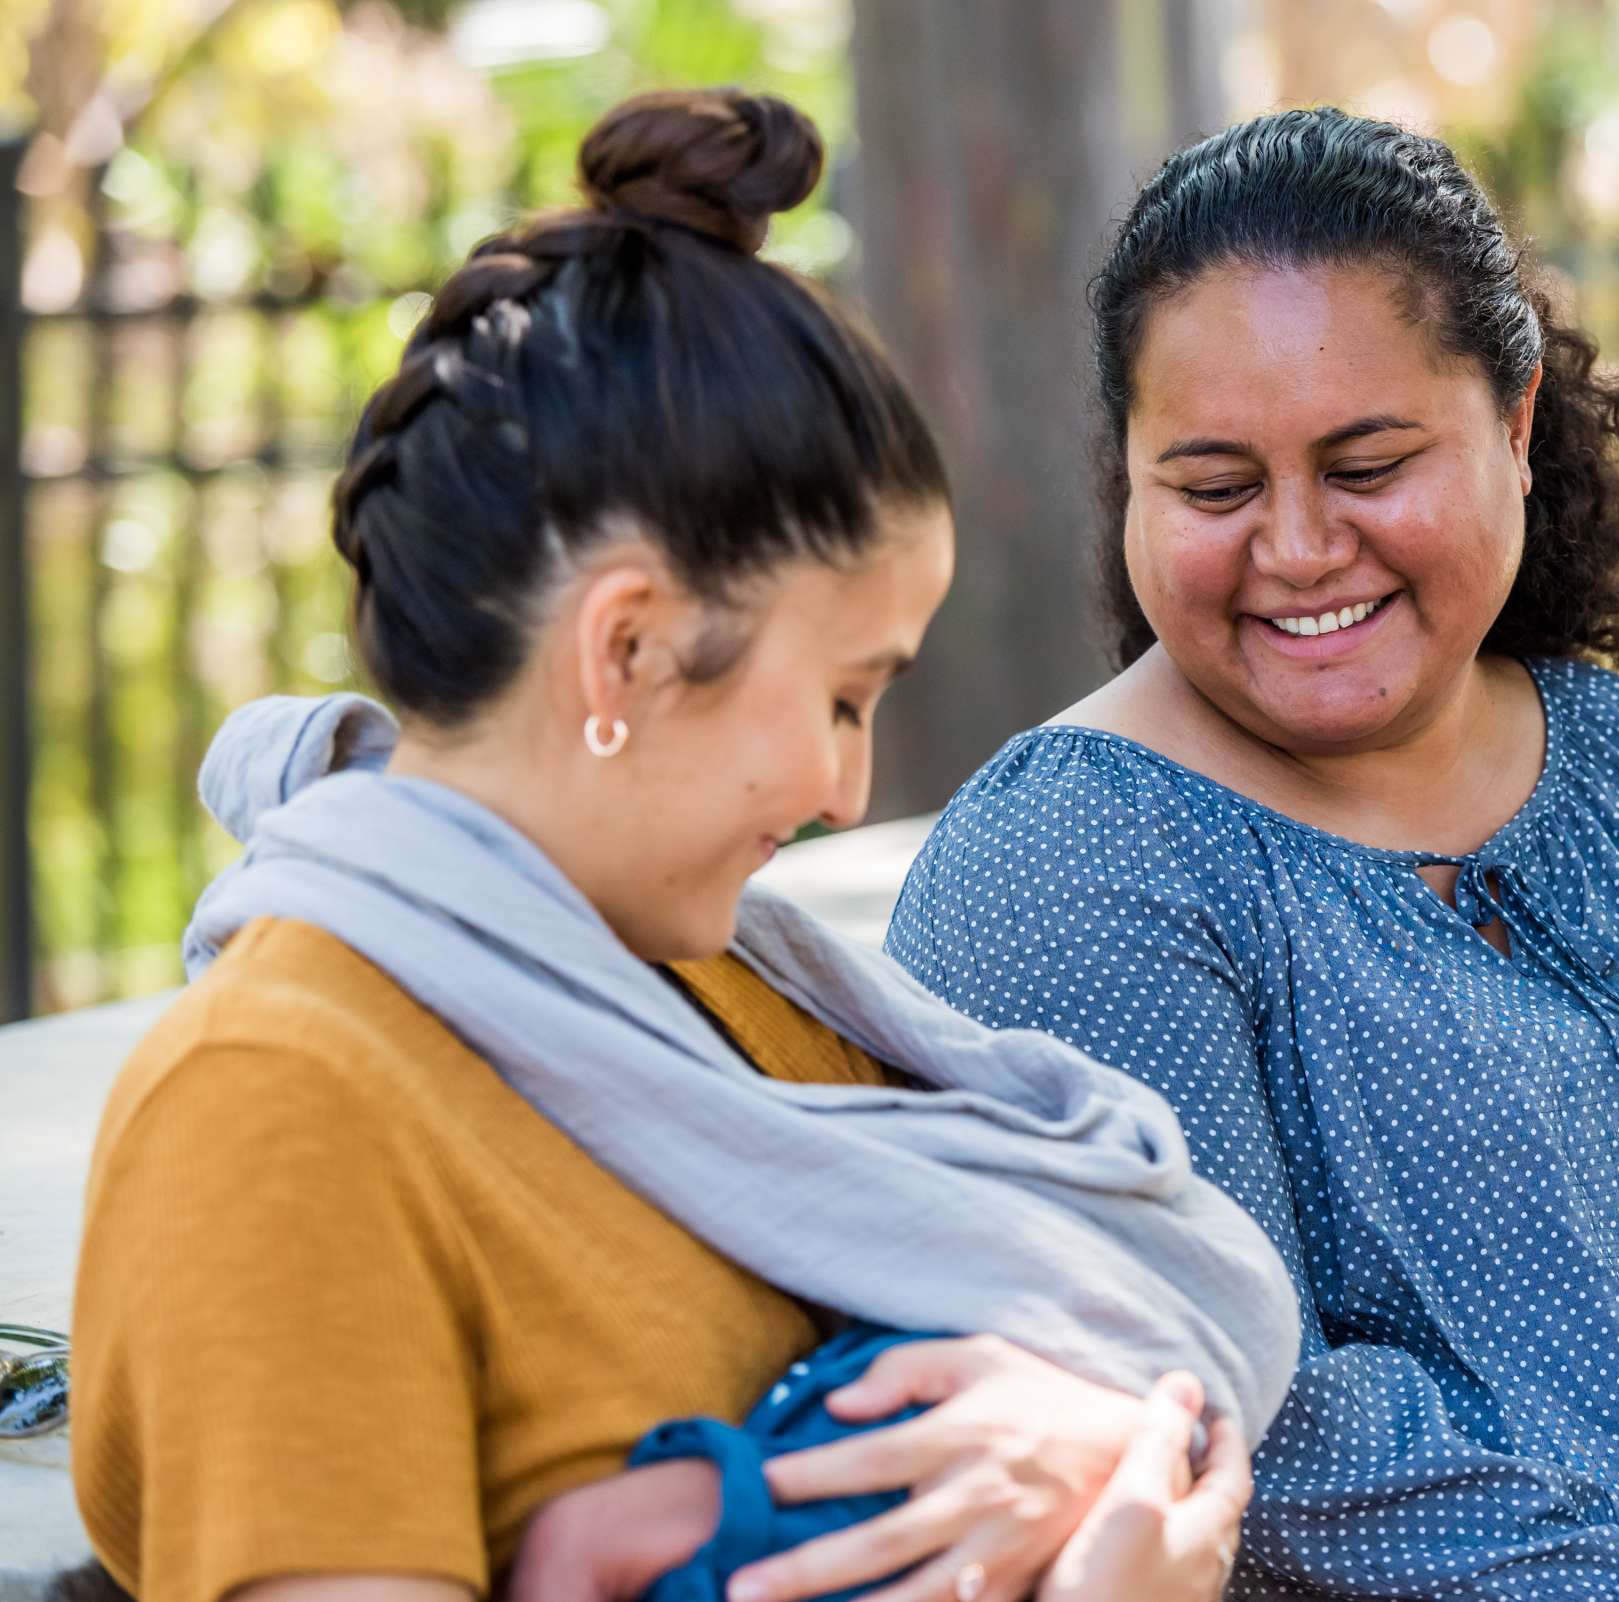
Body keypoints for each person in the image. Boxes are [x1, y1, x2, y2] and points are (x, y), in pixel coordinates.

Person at [66, 88, 1293, 1602]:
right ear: (630, 650)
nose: (849, 789)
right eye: (842, 697)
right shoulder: (282, 1103)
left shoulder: (743, 1003)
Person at [885, 107, 1619, 1602]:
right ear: (1130, 476)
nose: (1302, 545)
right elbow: (1251, 1412)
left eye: (1369, 462)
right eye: (1214, 487)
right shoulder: (1075, 860)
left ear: (1513, 428)